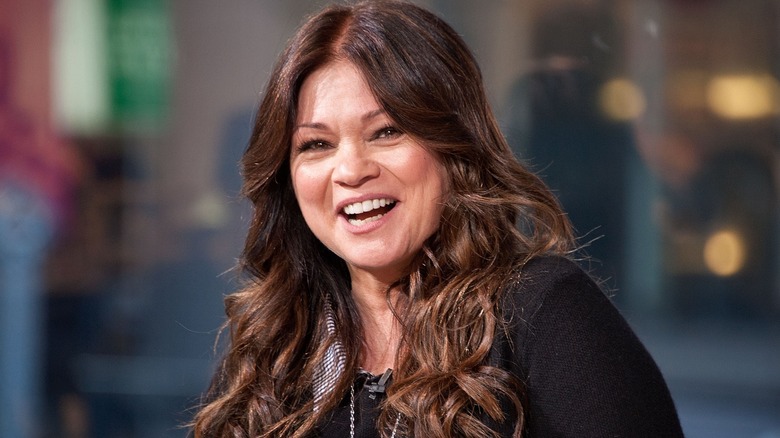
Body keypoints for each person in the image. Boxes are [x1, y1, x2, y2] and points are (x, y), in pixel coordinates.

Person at [192, 1, 684, 437]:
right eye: (317, 144)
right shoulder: (271, 347)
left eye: (386, 132)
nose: (351, 170)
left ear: (454, 145)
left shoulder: (543, 315)